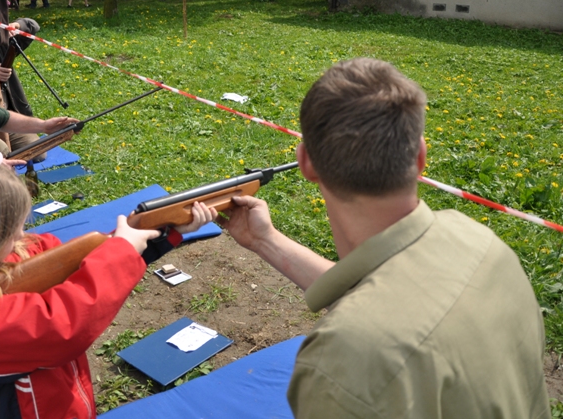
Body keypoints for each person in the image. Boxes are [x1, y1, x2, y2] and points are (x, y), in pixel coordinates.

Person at [221, 58, 551, 418]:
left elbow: (378, 315)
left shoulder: (343, 359)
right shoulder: (483, 243)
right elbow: (388, 296)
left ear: (306, 162)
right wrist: (264, 239)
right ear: (420, 156)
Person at [0, 157, 217, 418]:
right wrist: (121, 251)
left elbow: (77, 264)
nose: (21, 237)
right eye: (14, 230)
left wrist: (159, 231)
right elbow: (62, 324)